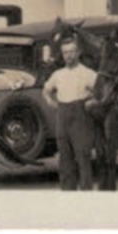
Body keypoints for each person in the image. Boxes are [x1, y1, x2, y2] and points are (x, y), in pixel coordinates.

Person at [43, 35, 100, 191]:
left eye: (72, 51)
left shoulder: (88, 73)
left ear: (79, 52)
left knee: (83, 158)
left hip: (80, 118)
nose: (69, 55)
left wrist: (92, 101)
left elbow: (101, 92)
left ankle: (86, 195)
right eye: (65, 52)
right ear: (62, 54)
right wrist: (51, 101)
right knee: (65, 160)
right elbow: (46, 90)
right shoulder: (58, 74)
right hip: (62, 117)